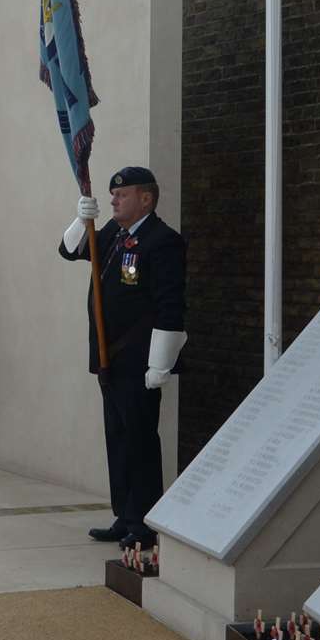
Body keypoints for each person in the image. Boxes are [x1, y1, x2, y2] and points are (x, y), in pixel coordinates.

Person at [57, 166, 186, 550]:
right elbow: (70, 250)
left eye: (123, 194)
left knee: (141, 440)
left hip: (138, 361)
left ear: (146, 198)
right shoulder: (114, 234)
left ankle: (144, 522)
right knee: (118, 439)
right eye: (114, 195)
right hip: (108, 359)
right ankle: (125, 515)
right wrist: (82, 219)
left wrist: (160, 364)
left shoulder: (162, 241)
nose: (114, 200)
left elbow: (170, 305)